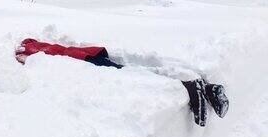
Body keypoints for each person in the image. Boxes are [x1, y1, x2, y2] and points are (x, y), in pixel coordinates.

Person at [16, 38, 229, 127]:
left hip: (89, 61)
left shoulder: (38, 49)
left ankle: (189, 85)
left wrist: (28, 54)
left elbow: (50, 52)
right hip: (91, 57)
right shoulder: (44, 47)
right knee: (135, 72)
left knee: (136, 76)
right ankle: (206, 89)